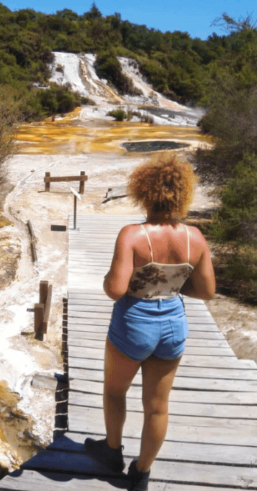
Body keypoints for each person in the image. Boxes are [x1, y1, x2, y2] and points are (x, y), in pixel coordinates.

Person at [84, 153, 216, 491]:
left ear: (143, 191)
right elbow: (207, 291)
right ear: (182, 194)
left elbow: (115, 290)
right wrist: (170, 282)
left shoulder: (132, 235)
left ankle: (112, 452)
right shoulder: (195, 238)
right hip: (173, 325)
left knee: (115, 392)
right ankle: (141, 473)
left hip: (134, 324)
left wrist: (111, 279)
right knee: (158, 407)